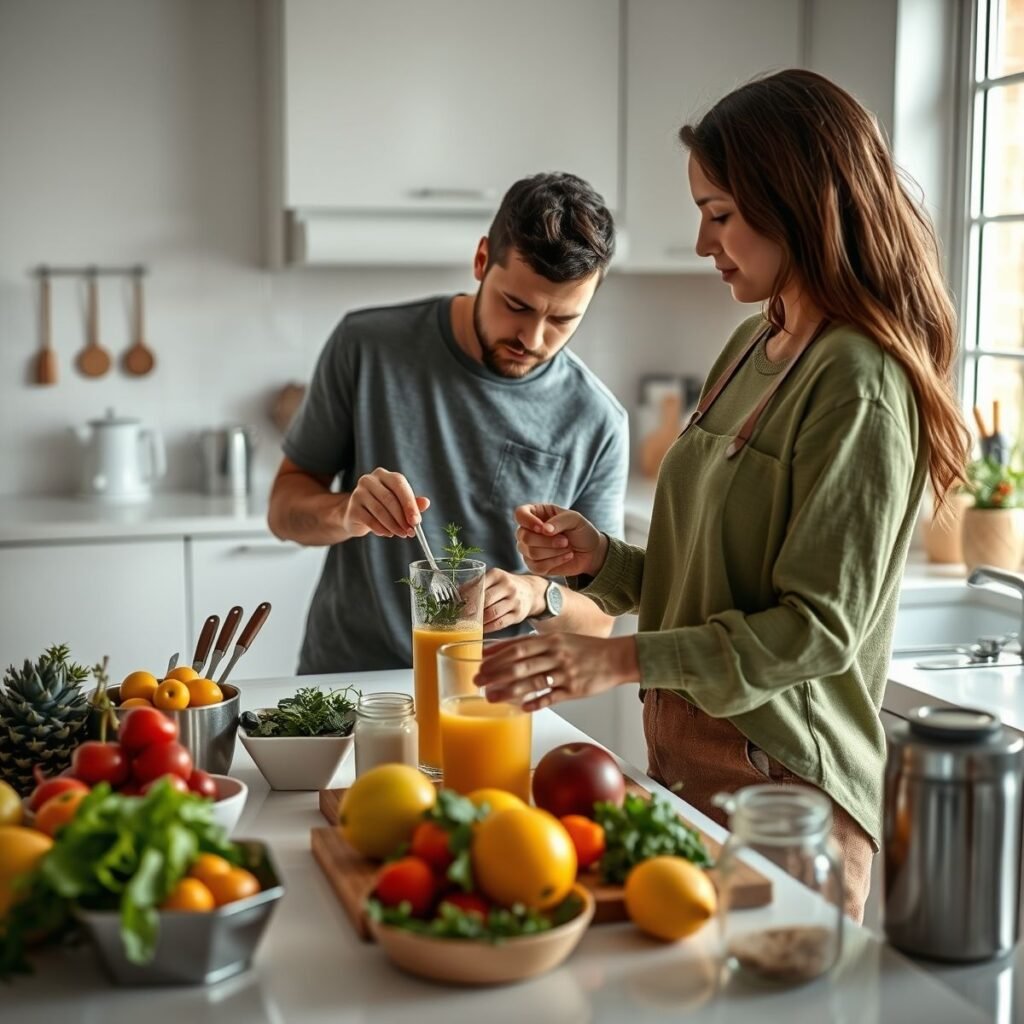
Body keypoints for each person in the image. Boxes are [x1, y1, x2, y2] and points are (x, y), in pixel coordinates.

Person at [473, 70, 968, 923]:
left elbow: (815, 630)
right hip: (687, 762)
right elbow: (715, 574)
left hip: (784, 790)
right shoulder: (751, 342)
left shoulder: (859, 382)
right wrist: (600, 562)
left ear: (798, 206)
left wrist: (618, 659)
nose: (704, 241)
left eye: (721, 213)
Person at [268, 172, 628, 673]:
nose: (532, 338)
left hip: (490, 694)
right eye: (516, 306)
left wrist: (536, 596)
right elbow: (283, 511)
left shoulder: (597, 419)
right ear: (481, 260)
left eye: (562, 319)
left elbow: (599, 622)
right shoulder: (367, 345)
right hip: (350, 682)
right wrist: (345, 513)